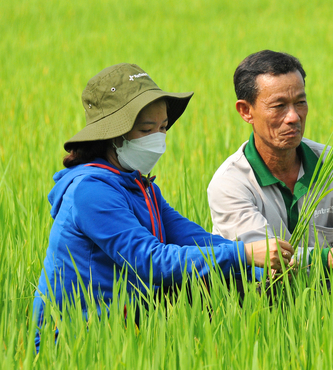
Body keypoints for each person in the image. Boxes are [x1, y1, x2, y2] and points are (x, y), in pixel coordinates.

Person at [33, 63, 294, 349]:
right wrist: (243, 254)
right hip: (78, 335)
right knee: (215, 281)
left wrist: (264, 271)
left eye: (163, 128)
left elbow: (198, 240)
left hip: (126, 318)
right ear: (114, 134)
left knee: (228, 282)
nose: (159, 138)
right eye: (147, 129)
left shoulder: (143, 188)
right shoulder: (90, 191)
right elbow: (151, 261)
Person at [207, 50, 333, 283]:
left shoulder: (332, 164)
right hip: (260, 302)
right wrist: (331, 258)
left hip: (332, 298)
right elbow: (268, 262)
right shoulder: (230, 183)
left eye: (300, 102)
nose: (293, 116)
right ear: (246, 111)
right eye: (279, 105)